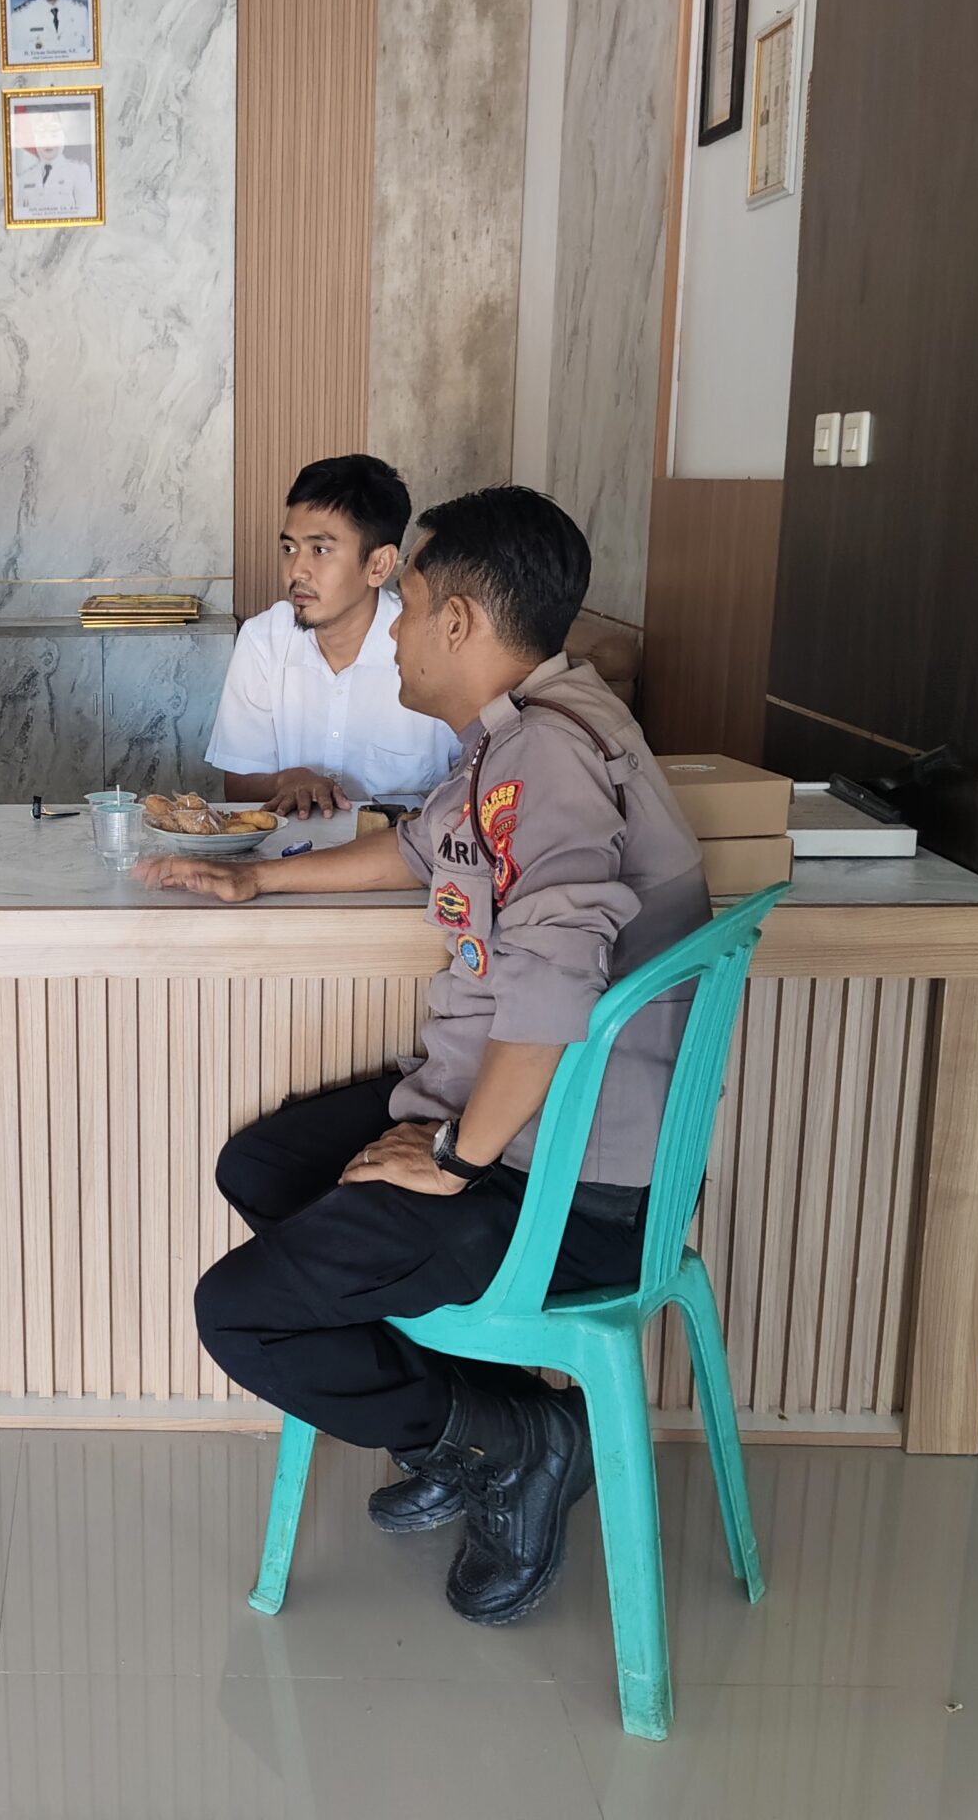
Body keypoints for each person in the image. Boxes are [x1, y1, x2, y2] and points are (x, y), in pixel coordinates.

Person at [139, 486, 709, 1628]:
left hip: (561, 1186)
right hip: (523, 1129)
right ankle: (476, 1409)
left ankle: (511, 1440)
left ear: (459, 621)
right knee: (265, 1164)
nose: (392, 630)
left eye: (406, 604)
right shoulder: (529, 727)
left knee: (240, 1314)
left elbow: (553, 984)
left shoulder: (546, 759)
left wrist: (452, 1154)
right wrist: (259, 880)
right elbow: (421, 850)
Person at [204, 455, 463, 816]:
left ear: (378, 565)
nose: (297, 570)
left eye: (320, 550)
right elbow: (238, 786)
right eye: (289, 548)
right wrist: (286, 781)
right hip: (291, 850)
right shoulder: (263, 640)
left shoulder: (435, 648)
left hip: (404, 852)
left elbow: (474, 789)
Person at [14, 138, 93, 219]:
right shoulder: (24, 177)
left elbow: (85, 215)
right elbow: (20, 216)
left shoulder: (79, 171)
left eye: (53, 137)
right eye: (43, 138)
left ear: (62, 140)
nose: (48, 143)